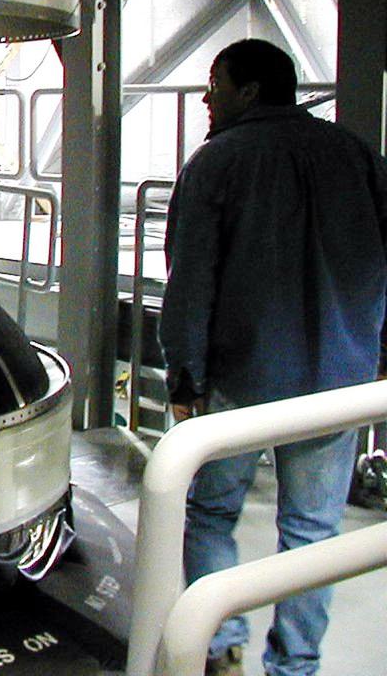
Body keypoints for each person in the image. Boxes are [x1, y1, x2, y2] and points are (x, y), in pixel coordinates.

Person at [159, 38, 387, 676]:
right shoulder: (359, 155)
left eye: (215, 83)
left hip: (243, 380)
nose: (207, 97)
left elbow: (192, 277)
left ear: (249, 92)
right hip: (341, 382)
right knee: (313, 535)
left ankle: (220, 644)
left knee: (209, 511)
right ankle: (295, 666)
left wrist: (184, 374)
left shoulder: (218, 161)